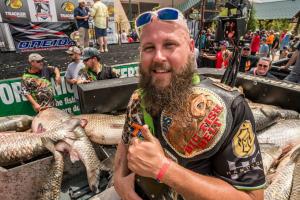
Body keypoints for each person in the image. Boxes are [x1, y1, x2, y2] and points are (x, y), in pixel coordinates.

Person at [112, 7, 265, 200]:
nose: (158, 56)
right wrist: (119, 181)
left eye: (169, 45)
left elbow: (253, 196)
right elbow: (124, 144)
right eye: (149, 48)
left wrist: (164, 169)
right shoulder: (138, 98)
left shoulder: (230, 106)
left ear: (191, 48)